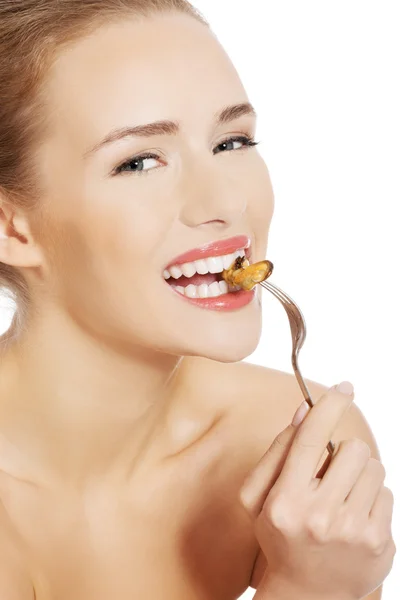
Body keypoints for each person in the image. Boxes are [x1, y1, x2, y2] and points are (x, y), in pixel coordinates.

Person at [0, 1, 395, 599]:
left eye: (232, 142)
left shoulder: (290, 452)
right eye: (139, 161)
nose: (225, 202)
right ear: (11, 226)